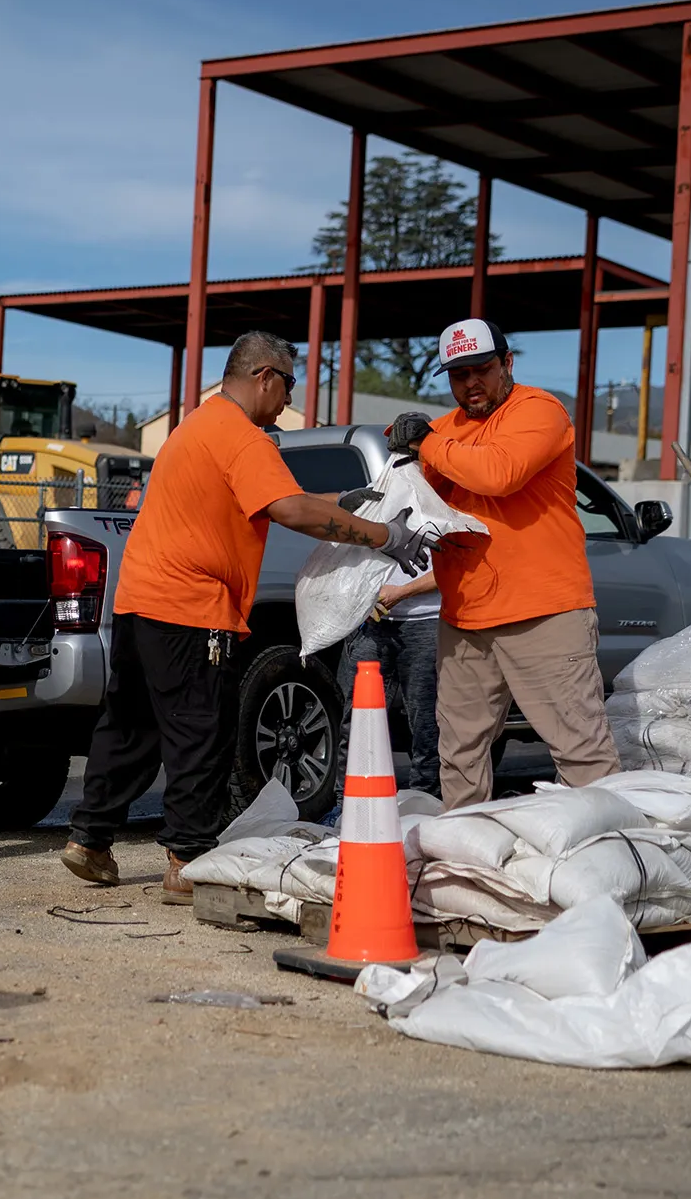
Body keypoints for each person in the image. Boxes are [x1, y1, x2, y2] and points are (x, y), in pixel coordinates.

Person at [62, 331, 441, 904]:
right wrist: (385, 535)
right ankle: (186, 859)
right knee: (200, 731)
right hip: (193, 605)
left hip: (142, 600)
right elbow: (289, 509)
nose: (287, 398)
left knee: (131, 723)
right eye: (288, 383)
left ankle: (90, 838)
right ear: (264, 375)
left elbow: (283, 496)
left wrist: (349, 500)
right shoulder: (242, 437)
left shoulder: (198, 427)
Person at [389, 317, 620, 810]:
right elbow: (413, 501)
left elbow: (499, 473)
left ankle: (613, 860)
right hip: (465, 619)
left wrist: (423, 442)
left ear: (507, 364)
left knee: (581, 752)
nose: (471, 383)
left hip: (544, 612)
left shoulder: (539, 410)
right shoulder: (446, 431)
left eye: (482, 369)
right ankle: (466, 865)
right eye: (458, 374)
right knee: (460, 756)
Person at [334, 570, 442, 798]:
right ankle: (345, 802)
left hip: (427, 619)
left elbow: (454, 565)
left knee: (425, 721)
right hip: (373, 623)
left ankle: (425, 799)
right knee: (354, 717)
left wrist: (402, 592)